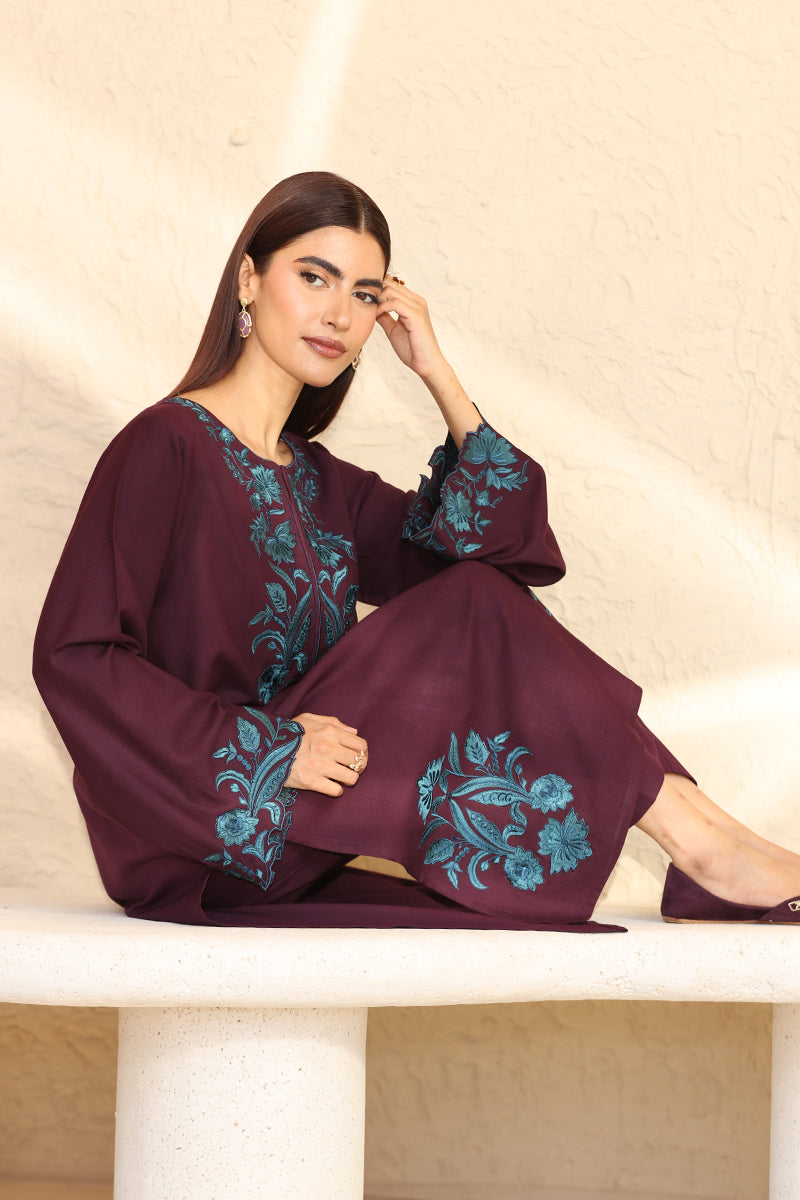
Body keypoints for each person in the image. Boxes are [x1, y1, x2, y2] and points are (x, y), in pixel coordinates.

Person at [32, 171, 800, 932]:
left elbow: (491, 565)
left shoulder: (318, 481)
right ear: (248, 279)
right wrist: (269, 752)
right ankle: (711, 852)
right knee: (472, 607)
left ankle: (714, 843)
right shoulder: (164, 447)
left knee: (476, 597)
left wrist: (437, 373)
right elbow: (74, 655)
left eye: (365, 295)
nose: (338, 314)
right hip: (207, 823)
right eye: (314, 277)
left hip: (305, 816)